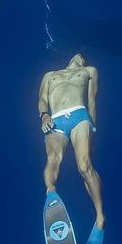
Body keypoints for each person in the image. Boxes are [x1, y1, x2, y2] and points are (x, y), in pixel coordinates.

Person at [38, 52, 105, 232]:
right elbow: (42, 99)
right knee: (53, 157)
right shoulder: (49, 75)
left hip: (80, 115)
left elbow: (92, 99)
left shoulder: (89, 71)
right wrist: (44, 116)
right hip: (55, 119)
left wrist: (93, 127)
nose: (79, 55)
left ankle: (100, 216)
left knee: (84, 166)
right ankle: (51, 193)